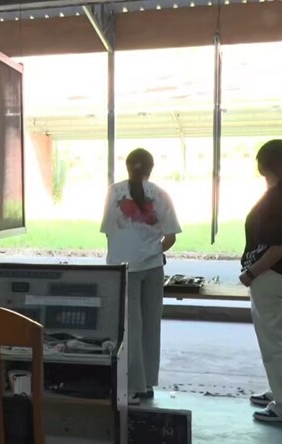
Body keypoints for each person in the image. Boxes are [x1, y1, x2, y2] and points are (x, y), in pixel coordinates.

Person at [100, 148, 181, 404]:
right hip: (153, 268)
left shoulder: (114, 192)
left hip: (124, 269)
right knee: (150, 327)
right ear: (151, 168)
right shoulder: (162, 194)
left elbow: (108, 231)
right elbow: (170, 238)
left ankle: (132, 386)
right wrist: (152, 251)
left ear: (127, 167)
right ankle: (146, 383)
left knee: (130, 328)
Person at [238, 139, 282, 422]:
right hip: (281, 275)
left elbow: (278, 247)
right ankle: (280, 392)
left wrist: (251, 273)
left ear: (264, 164)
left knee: (276, 344)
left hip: (269, 275)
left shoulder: (279, 197)